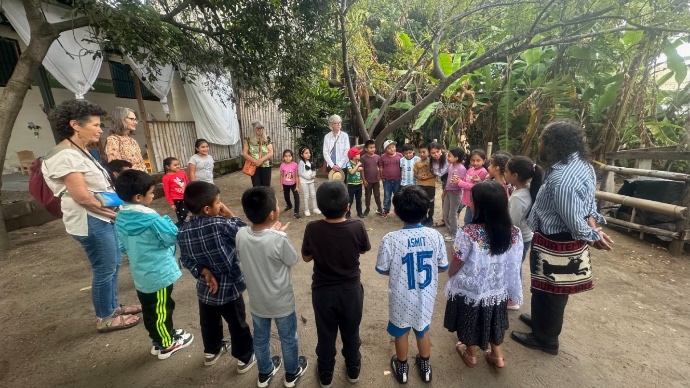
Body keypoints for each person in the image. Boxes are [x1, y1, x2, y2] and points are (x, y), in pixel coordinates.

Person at [511, 120, 613, 356]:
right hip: (552, 237)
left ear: (554, 143)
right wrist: (593, 227)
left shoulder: (562, 180)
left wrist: (592, 233)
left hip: (557, 240)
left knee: (553, 291)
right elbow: (589, 203)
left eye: (542, 139)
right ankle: (540, 322)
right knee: (544, 286)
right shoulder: (580, 165)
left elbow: (574, 220)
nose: (539, 143)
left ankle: (545, 339)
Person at [42, 99, 141, 333]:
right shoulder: (66, 155)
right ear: (75, 125)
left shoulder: (79, 150)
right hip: (91, 221)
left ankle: (113, 307)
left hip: (101, 218)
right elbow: (83, 198)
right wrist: (116, 216)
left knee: (113, 264)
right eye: (95, 124)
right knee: (104, 268)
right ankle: (105, 317)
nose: (100, 129)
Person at [443, 180, 523, 370]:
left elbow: (458, 260)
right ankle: (497, 356)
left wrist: (450, 274)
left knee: (470, 319)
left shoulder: (469, 232)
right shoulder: (514, 232)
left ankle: (470, 355)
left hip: (472, 287)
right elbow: (514, 262)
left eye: (472, 200)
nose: (470, 203)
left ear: (480, 205)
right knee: (495, 319)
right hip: (497, 288)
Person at [114, 170, 194, 359]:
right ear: (139, 197)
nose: (152, 196)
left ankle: (163, 336)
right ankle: (165, 344)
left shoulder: (121, 217)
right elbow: (171, 237)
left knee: (155, 308)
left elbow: (121, 246)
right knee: (160, 310)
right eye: (151, 193)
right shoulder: (151, 219)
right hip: (158, 273)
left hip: (141, 272)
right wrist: (166, 221)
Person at [177, 181, 256, 370]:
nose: (221, 205)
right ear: (207, 209)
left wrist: (203, 272)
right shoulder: (220, 224)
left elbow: (186, 260)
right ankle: (244, 358)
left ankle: (211, 351)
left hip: (206, 289)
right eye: (218, 202)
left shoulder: (182, 232)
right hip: (229, 287)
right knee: (237, 324)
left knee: (208, 323)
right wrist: (231, 215)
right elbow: (245, 234)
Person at [301, 180, 371, 387]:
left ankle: (326, 372)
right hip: (351, 291)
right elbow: (363, 249)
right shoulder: (357, 226)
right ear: (348, 206)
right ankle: (353, 368)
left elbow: (306, 258)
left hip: (322, 292)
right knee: (351, 332)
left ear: (320, 208)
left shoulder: (312, 228)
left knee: (325, 333)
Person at [376, 185, 449, 384]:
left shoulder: (390, 239)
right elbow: (442, 267)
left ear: (396, 212)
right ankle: (425, 366)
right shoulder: (435, 236)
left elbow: (383, 269)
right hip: (425, 295)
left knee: (400, 332)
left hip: (401, 296)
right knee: (422, 329)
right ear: (427, 210)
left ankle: (402, 367)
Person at [237, 187, 308, 387]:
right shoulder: (279, 239)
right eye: (277, 204)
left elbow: (257, 243)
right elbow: (292, 259)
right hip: (281, 302)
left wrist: (271, 233)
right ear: (272, 214)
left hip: (257, 302)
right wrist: (276, 234)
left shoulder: (241, 234)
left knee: (260, 339)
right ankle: (291, 374)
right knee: (288, 338)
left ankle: (265, 372)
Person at [505, 155, 544, 310]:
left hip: (517, 236)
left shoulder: (518, 198)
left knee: (514, 266)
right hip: (526, 235)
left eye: (506, 172)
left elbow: (511, 222)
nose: (505, 174)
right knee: (516, 265)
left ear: (515, 176)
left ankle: (513, 299)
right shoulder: (528, 190)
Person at [105, 107, 146, 171]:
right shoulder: (113, 140)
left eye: (135, 119)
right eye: (131, 119)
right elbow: (116, 167)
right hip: (129, 178)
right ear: (121, 120)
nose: (135, 122)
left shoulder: (133, 141)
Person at [457, 149, 488, 225]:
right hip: (468, 200)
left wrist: (460, 183)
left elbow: (475, 186)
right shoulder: (470, 169)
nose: (475, 163)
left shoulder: (483, 172)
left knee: (473, 220)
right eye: (472, 160)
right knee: (467, 220)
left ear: (483, 161)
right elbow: (465, 180)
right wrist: (458, 180)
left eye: (478, 160)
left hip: (475, 201)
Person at [444, 147, 467, 242]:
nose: (447, 158)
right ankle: (450, 230)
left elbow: (461, 182)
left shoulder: (461, 169)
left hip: (456, 193)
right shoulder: (451, 166)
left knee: (452, 214)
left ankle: (454, 234)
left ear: (456, 158)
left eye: (449, 156)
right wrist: (444, 191)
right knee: (445, 213)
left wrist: (457, 182)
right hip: (448, 191)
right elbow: (448, 179)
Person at [243, 120, 274, 187]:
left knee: (266, 186)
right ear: (253, 129)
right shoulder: (248, 139)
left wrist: (261, 160)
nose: (260, 130)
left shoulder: (267, 138)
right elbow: (245, 153)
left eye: (261, 128)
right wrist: (255, 161)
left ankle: (266, 198)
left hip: (266, 165)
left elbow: (271, 153)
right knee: (256, 186)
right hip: (254, 165)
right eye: (258, 128)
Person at [162, 157, 189, 228]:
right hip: (176, 199)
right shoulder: (166, 178)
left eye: (178, 164)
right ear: (168, 167)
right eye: (175, 165)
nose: (178, 166)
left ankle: (178, 225)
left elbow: (187, 183)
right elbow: (166, 191)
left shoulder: (182, 172)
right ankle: (181, 226)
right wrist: (171, 203)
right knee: (179, 214)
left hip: (185, 197)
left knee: (185, 212)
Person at [379, 140, 402, 218]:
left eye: (393, 147)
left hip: (397, 180)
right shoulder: (382, 157)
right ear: (386, 149)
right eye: (389, 148)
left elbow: (402, 167)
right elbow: (381, 167)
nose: (392, 149)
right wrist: (382, 177)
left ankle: (398, 210)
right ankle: (386, 210)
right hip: (387, 180)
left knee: (397, 196)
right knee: (387, 196)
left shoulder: (400, 155)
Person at [414, 144, 436, 226]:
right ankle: (423, 218)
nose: (422, 154)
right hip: (420, 185)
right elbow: (415, 174)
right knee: (422, 202)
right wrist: (418, 176)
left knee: (431, 202)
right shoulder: (417, 163)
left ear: (428, 152)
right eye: (420, 152)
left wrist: (428, 176)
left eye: (424, 152)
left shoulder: (432, 162)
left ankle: (430, 218)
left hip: (430, 185)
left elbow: (435, 173)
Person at [429, 142, 449, 228]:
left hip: (452, 177)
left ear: (441, 150)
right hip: (444, 179)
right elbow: (437, 173)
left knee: (450, 200)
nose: (436, 154)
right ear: (430, 153)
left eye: (437, 151)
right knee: (444, 199)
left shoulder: (448, 157)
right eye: (433, 153)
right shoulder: (431, 161)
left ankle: (449, 220)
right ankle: (444, 219)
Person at [297, 146, 321, 217]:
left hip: (311, 181)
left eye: (309, 153)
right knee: (306, 196)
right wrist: (308, 178)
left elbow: (314, 169)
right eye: (306, 153)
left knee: (313, 194)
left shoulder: (310, 161)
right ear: (302, 155)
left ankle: (315, 208)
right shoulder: (301, 163)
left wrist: (314, 175)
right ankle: (306, 210)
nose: (308, 154)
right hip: (304, 181)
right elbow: (300, 173)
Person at [360, 139, 382, 216]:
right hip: (368, 181)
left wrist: (380, 175)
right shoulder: (363, 158)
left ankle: (379, 208)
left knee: (377, 195)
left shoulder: (377, 157)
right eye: (371, 148)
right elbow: (362, 170)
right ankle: (367, 209)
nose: (373, 149)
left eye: (374, 147)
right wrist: (364, 180)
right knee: (368, 195)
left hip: (376, 180)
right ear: (366, 149)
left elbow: (379, 167)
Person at [280, 149, 301, 219]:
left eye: (289, 156)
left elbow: (297, 176)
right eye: (285, 156)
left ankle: (296, 212)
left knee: (296, 197)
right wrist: (281, 185)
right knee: (286, 197)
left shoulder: (295, 165)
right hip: (285, 184)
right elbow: (281, 176)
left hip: (294, 184)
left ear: (292, 157)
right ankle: (289, 205)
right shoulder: (282, 165)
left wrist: (297, 186)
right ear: (283, 157)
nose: (287, 157)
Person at [346, 146, 366, 219]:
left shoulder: (358, 162)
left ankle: (359, 212)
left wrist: (360, 169)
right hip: (351, 185)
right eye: (358, 154)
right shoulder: (349, 163)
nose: (359, 155)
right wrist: (357, 166)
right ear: (353, 156)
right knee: (350, 200)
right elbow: (351, 172)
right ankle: (347, 214)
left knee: (359, 199)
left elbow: (360, 170)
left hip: (359, 184)